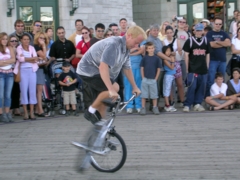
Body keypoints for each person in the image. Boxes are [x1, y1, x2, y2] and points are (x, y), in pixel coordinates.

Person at [77, 25, 146, 124]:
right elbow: (103, 67)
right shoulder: (114, 44)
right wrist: (111, 89)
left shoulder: (125, 48)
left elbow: (127, 68)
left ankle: (100, 126)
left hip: (98, 71)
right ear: (129, 36)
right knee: (115, 87)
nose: (136, 47)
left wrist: (135, 87)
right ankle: (90, 111)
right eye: (136, 43)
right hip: (88, 70)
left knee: (104, 102)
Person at [182, 23, 211, 112]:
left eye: (200, 30)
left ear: (203, 31)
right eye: (197, 30)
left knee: (201, 87)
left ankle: (197, 103)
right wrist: (187, 68)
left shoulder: (206, 41)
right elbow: (186, 55)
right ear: (194, 31)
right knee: (192, 86)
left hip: (202, 68)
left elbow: (207, 54)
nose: (198, 32)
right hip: (193, 68)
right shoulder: (190, 41)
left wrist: (207, 66)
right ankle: (187, 104)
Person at [147, 24, 172, 111]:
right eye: (154, 30)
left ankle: (155, 105)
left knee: (158, 87)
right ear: (150, 31)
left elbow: (163, 51)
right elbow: (158, 53)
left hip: (160, 66)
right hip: (153, 67)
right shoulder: (150, 40)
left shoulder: (158, 40)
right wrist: (169, 59)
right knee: (154, 87)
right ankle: (153, 106)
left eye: (157, 30)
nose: (156, 32)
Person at [13, 34, 38, 120]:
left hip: (32, 70)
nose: (26, 41)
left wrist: (27, 58)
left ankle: (31, 112)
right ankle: (25, 113)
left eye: (28, 39)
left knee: (32, 91)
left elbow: (36, 58)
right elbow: (21, 59)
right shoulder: (19, 48)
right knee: (23, 91)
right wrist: (30, 58)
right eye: (24, 39)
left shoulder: (32, 48)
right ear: (21, 40)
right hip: (22, 71)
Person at [205, 18, 231, 97]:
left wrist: (217, 42)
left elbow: (228, 44)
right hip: (213, 60)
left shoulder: (224, 33)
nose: (218, 25)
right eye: (216, 24)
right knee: (211, 80)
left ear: (221, 25)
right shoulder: (209, 34)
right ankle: (208, 97)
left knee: (221, 80)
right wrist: (223, 43)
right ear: (213, 24)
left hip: (222, 60)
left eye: (220, 24)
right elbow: (211, 45)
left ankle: (221, 96)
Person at [163, 25, 184, 107]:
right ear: (165, 33)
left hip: (177, 63)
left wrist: (172, 53)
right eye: (167, 33)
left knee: (180, 83)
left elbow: (179, 51)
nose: (169, 34)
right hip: (169, 63)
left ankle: (182, 100)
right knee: (170, 84)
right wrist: (173, 53)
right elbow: (165, 53)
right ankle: (171, 100)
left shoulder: (177, 40)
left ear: (173, 33)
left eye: (171, 32)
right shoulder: (164, 41)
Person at [124, 37, 145, 114]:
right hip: (128, 66)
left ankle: (138, 105)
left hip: (138, 66)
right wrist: (135, 50)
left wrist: (130, 52)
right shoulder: (127, 40)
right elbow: (125, 52)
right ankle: (129, 105)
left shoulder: (141, 40)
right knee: (128, 86)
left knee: (138, 86)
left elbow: (142, 50)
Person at [139, 42, 161, 115]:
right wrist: (143, 77)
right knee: (143, 95)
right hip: (145, 79)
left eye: (152, 48)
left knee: (154, 95)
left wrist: (156, 78)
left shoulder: (157, 58)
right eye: (149, 48)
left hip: (153, 79)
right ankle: (143, 108)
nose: (151, 50)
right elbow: (142, 68)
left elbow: (158, 69)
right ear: (147, 49)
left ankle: (155, 107)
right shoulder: (144, 58)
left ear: (154, 49)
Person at [0, 32, 16, 122]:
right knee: (0, 95)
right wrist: (8, 61)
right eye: (3, 39)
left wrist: (4, 62)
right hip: (1, 73)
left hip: (9, 73)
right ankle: (1, 113)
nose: (5, 41)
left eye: (6, 39)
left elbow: (13, 59)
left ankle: (7, 113)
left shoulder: (10, 48)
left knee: (8, 95)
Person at [34, 32, 50, 117]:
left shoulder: (41, 47)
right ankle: (40, 110)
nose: (42, 40)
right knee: (39, 91)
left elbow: (45, 60)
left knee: (39, 90)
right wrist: (44, 46)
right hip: (38, 69)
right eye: (40, 38)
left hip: (42, 69)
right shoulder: (36, 47)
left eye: (44, 38)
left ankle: (37, 109)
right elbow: (44, 57)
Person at [9, 35, 21, 117]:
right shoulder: (6, 50)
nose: (14, 42)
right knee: (10, 90)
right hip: (8, 71)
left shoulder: (19, 49)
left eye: (15, 41)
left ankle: (16, 107)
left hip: (17, 71)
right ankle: (10, 108)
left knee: (17, 90)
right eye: (12, 41)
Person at [162, 46, 177, 112]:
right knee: (167, 90)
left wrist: (173, 57)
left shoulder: (171, 57)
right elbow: (171, 67)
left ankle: (169, 103)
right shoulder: (165, 59)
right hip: (168, 75)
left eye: (169, 51)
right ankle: (167, 105)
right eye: (166, 51)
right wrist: (173, 61)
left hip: (172, 76)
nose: (168, 52)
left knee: (170, 90)